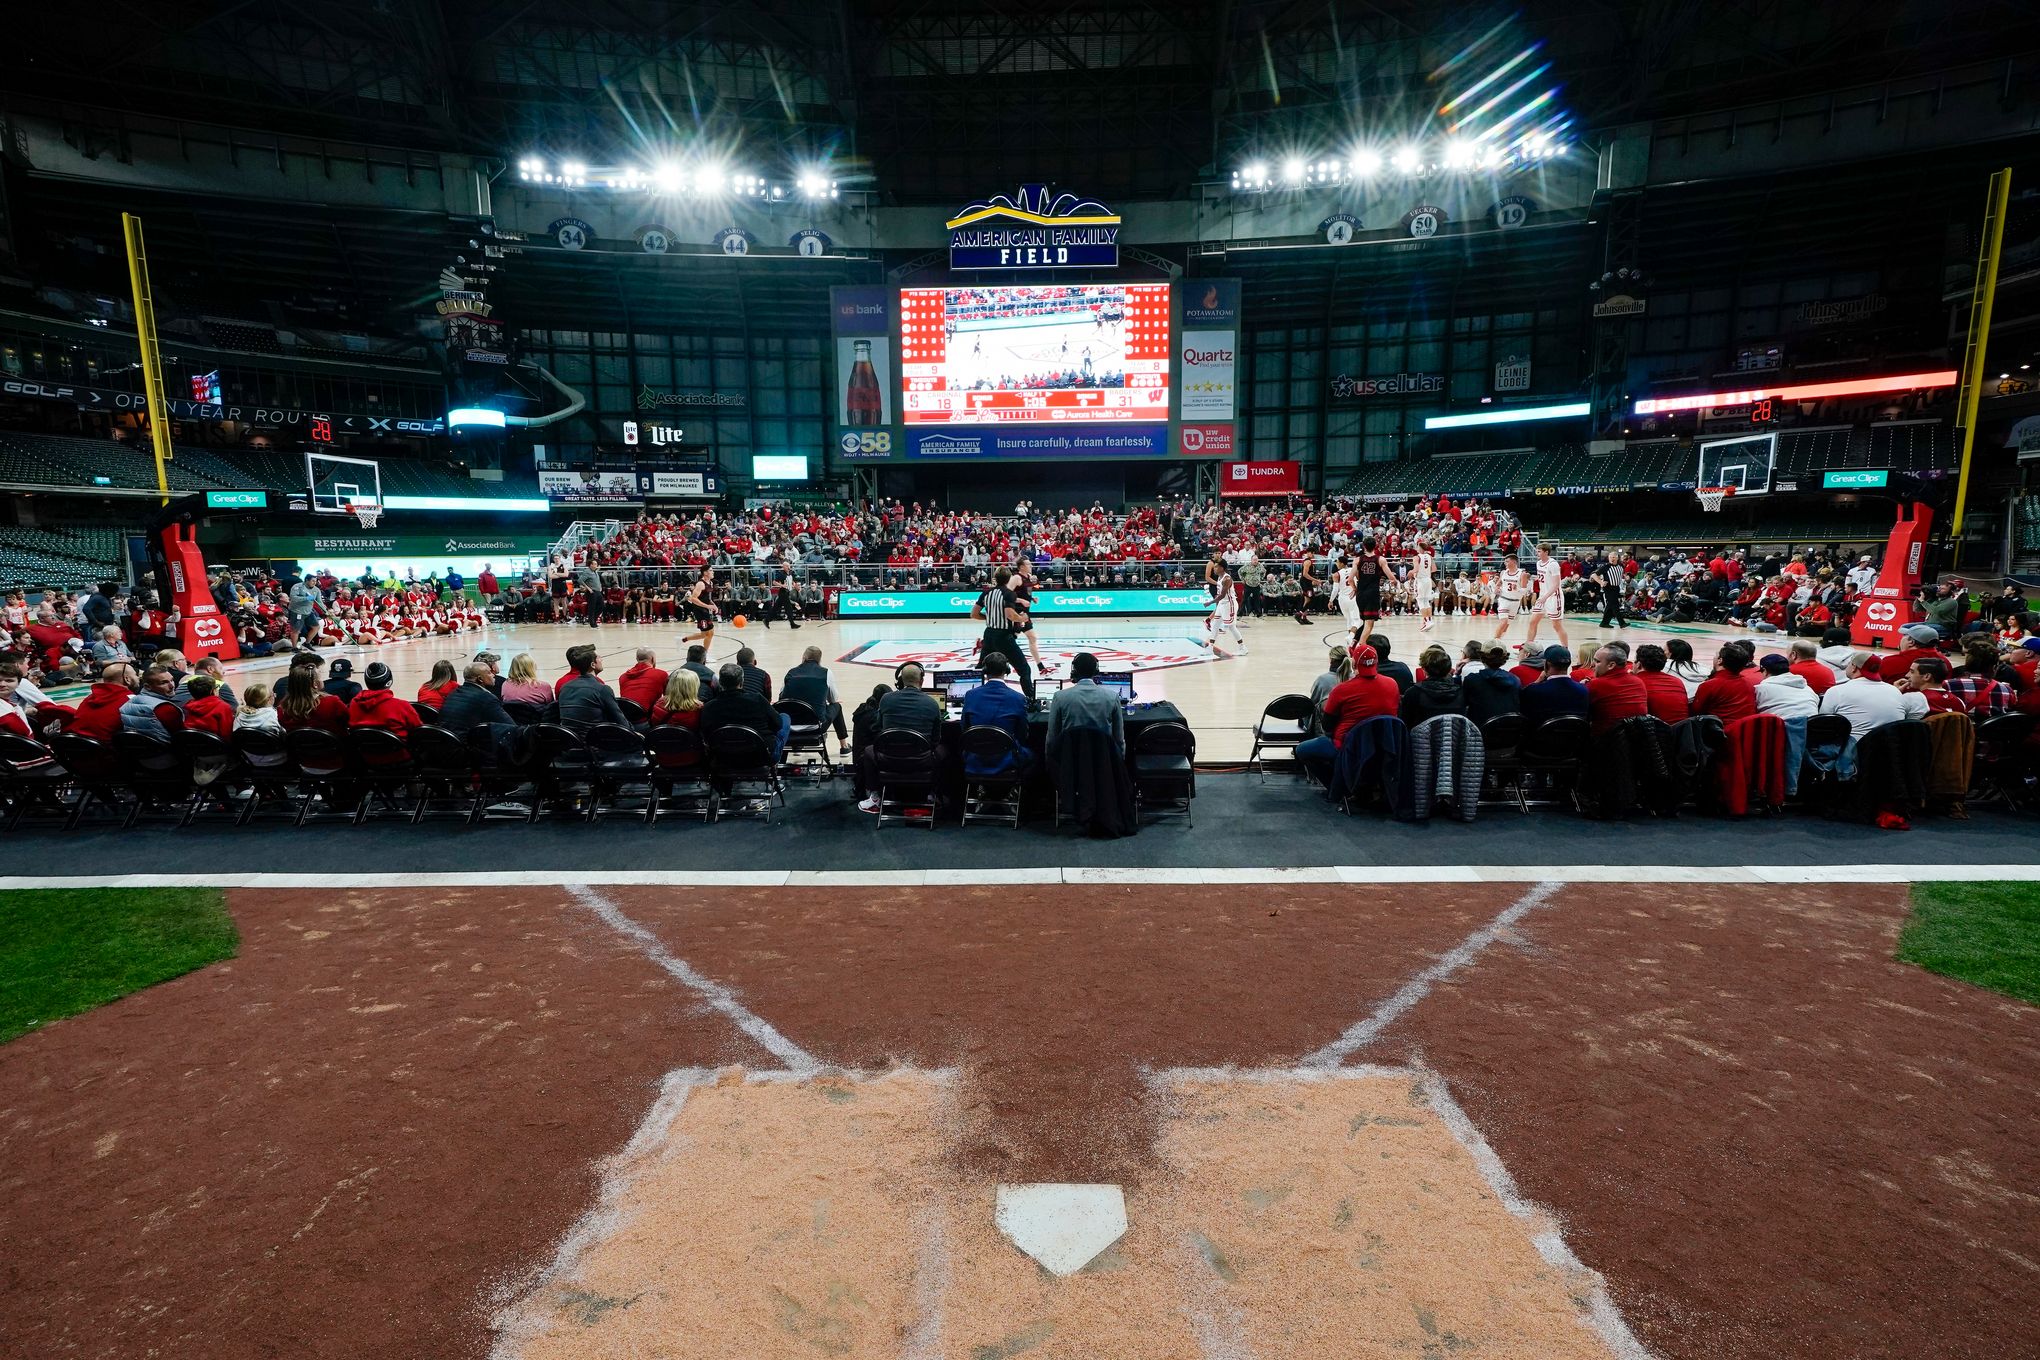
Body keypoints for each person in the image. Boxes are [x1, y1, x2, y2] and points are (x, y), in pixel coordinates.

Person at [1294, 643, 1400, 784]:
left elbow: (1327, 726)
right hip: (1383, 745)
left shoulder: (1341, 690)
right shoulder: (1392, 684)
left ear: (1354, 663)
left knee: (1302, 750)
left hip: (1347, 746)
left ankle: (1336, 785)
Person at [960, 652, 1032, 776]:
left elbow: (965, 729)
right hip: (1007, 759)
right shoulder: (1018, 698)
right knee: (1034, 758)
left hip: (976, 758)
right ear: (1007, 670)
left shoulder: (970, 695)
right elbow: (1022, 735)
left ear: (985, 671)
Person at [700, 661, 789, 761]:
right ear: (742, 682)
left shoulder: (709, 707)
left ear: (720, 683)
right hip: (760, 757)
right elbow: (777, 724)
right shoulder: (758, 700)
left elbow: (705, 733)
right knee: (785, 717)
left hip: (723, 757)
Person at [1045, 651, 1125, 760]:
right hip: (1103, 762)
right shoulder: (1112, 697)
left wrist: (1050, 764)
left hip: (1069, 762)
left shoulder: (1060, 697)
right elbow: (1119, 739)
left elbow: (1051, 738)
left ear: (1074, 671)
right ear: (1096, 671)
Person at [1819, 651, 1917, 739]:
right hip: (1889, 750)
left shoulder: (1837, 691)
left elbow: (1823, 724)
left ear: (1853, 667)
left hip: (1851, 751)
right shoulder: (1895, 691)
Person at [974, 567, 1034, 699]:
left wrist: (988, 617)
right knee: (1024, 670)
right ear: (1008, 579)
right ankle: (1031, 699)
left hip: (988, 635)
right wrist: (1022, 618)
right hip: (1004, 636)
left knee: (981, 669)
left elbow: (974, 614)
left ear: (995, 578)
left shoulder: (986, 593)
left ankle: (974, 695)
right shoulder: (1009, 593)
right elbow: (1010, 615)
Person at [781, 646, 848, 753]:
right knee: (837, 706)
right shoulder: (826, 673)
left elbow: (781, 697)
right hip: (815, 726)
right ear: (819, 660)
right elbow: (834, 699)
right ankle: (844, 746)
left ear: (803, 657)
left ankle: (796, 745)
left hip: (790, 726)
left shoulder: (791, 672)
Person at [557, 644, 627, 733]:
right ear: (593, 665)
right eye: (598, 658)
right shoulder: (602, 689)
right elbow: (621, 722)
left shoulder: (565, 688)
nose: (602, 660)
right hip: (595, 742)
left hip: (570, 742)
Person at [63, 663, 137, 742]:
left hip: (75, 745)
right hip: (105, 750)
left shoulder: (90, 697)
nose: (138, 678)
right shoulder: (132, 700)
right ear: (127, 679)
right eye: (135, 675)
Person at [1584, 644, 1648, 734]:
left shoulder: (1596, 684)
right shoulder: (1638, 682)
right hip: (1637, 738)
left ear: (1611, 665)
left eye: (1597, 661)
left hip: (1607, 740)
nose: (1592, 665)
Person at [439, 662, 514, 736]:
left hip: (446, 741)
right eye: (489, 673)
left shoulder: (453, 693)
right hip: (466, 744)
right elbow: (511, 726)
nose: (493, 675)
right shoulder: (486, 698)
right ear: (480, 679)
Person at [1519, 646, 1589, 723]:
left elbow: (1521, 706)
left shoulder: (1534, 691)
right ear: (1569, 664)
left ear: (1546, 664)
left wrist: (1537, 682)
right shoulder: (1583, 690)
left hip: (1543, 734)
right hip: (1576, 734)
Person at [1692, 643, 1759, 723]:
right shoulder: (1748, 684)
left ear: (1720, 660)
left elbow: (1696, 712)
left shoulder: (1709, 685)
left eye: (1716, 656)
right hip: (1745, 730)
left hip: (1721, 731)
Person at [1399, 645, 1464, 726]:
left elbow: (1406, 724)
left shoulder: (1413, 693)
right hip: (1454, 737)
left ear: (1424, 669)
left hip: (1421, 737)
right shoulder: (1461, 693)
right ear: (1449, 669)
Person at [1521, 543, 1568, 652]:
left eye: (1539, 551)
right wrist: (1530, 577)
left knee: (1556, 625)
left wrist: (1545, 597)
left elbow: (1556, 584)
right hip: (1543, 596)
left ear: (1546, 552)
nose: (1536, 553)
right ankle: (1529, 647)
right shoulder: (1538, 563)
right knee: (1533, 622)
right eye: (1537, 551)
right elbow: (1542, 577)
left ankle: (1566, 649)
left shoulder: (1553, 564)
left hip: (1554, 597)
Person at [276, 663, 350, 733]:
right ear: (314, 684)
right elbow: (348, 721)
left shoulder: (282, 707)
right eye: (320, 677)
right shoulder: (332, 701)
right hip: (333, 745)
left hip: (297, 746)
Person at [1462, 645, 1522, 724]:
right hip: (1509, 729)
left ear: (1482, 658)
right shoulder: (1515, 680)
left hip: (1480, 731)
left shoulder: (1472, 680)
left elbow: (1463, 703)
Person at [1633, 645, 1691, 724]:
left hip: (1656, 732)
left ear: (1638, 664)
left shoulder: (1636, 683)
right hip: (1681, 731)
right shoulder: (1677, 681)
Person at [1199, 563, 1246, 658]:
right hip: (1222, 604)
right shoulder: (1219, 577)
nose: (1214, 568)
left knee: (1231, 627)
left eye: (1216, 567)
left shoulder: (1227, 579)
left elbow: (1223, 595)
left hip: (1229, 604)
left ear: (1222, 568)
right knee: (1215, 625)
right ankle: (1210, 648)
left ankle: (1242, 647)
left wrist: (1210, 602)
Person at [233, 683, 288, 763]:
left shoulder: (239, 715)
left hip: (249, 759)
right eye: (273, 695)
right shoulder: (273, 715)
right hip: (276, 759)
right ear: (269, 699)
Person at [119, 667, 180, 739]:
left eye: (172, 680)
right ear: (147, 687)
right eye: (163, 683)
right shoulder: (165, 708)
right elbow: (181, 736)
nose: (172, 686)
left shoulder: (128, 704)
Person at [1753, 653, 1819, 719]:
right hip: (1813, 727)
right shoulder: (1808, 689)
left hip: (1781, 727)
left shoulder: (1760, 690)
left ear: (1765, 671)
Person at [679, 568, 721, 647]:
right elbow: (693, 599)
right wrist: (707, 606)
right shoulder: (700, 584)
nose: (713, 572)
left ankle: (682, 640)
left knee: (704, 634)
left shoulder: (710, 583)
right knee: (710, 633)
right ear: (705, 572)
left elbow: (707, 598)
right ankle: (704, 655)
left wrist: (714, 605)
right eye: (711, 570)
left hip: (704, 609)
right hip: (699, 610)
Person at [1491, 558, 1529, 641]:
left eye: (1507, 561)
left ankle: (1499, 640)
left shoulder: (1522, 574)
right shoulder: (1503, 573)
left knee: (1506, 625)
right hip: (1504, 600)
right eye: (1505, 561)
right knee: (1503, 622)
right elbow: (1498, 584)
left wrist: (1517, 589)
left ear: (1514, 562)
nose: (1505, 563)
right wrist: (1496, 589)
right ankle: (1494, 641)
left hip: (1515, 602)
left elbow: (1524, 590)